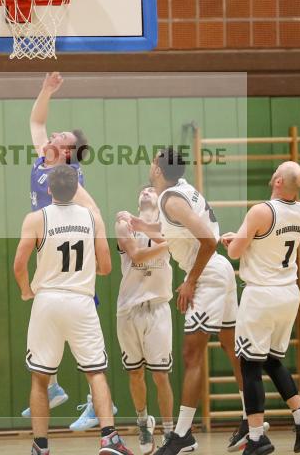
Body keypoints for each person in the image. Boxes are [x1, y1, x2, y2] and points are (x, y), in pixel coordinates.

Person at [128, 148, 246, 455]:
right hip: (219, 271)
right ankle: (251, 419)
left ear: (157, 169)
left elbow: (208, 240)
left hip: (206, 274)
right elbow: (177, 230)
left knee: (192, 353)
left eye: (153, 161)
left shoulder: (171, 199)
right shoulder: (177, 193)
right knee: (231, 348)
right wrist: (144, 227)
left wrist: (190, 280)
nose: (150, 165)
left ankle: (182, 435)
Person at [14, 165, 134, 455]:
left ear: (49, 189)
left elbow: (19, 265)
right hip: (81, 300)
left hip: (48, 301)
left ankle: (40, 446)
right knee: (95, 373)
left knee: (41, 378)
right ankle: (109, 438)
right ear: (77, 188)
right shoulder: (92, 218)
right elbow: (106, 268)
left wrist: (26, 290)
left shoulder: (36, 219)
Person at [21, 71, 116, 430]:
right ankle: (57, 387)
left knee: (77, 327)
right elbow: (36, 120)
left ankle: (98, 404)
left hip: (74, 264)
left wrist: (99, 243)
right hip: (52, 255)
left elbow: (94, 213)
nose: (52, 134)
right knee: (51, 321)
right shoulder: (42, 161)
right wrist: (45, 89)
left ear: (66, 152)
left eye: (60, 136)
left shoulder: (69, 179)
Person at [221, 161, 300, 455]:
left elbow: (235, 252)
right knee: (272, 360)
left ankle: (255, 438)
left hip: (261, 296)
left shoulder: (261, 210)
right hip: (289, 292)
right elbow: (269, 243)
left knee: (249, 366)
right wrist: (244, 239)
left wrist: (235, 240)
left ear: (277, 180)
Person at [115, 187, 175, 454]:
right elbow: (137, 255)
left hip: (158, 306)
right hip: (129, 309)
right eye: (143, 190)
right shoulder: (123, 223)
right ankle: (143, 422)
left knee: (161, 376)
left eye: (152, 189)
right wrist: (169, 244)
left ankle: (170, 431)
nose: (147, 191)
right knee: (135, 372)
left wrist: (168, 239)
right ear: (138, 200)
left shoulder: (170, 225)